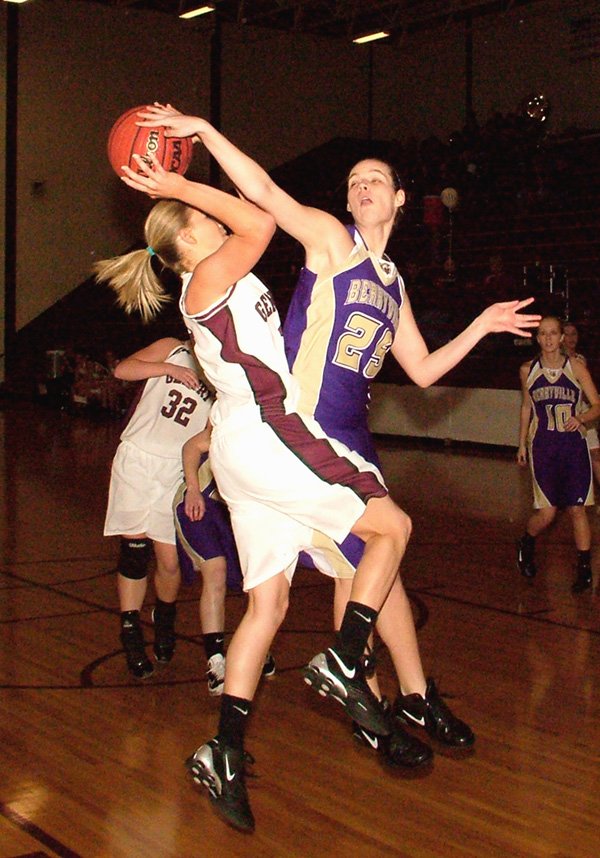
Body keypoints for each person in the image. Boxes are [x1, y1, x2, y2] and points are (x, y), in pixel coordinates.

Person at [135, 105, 540, 768]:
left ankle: (403, 700)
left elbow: (425, 370)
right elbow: (263, 196)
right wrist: (207, 133)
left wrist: (483, 325)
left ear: (402, 199)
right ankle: (377, 708)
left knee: (379, 575)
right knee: (365, 569)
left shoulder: (392, 280)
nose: (361, 187)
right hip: (306, 429)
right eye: (353, 179)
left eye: (374, 179)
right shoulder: (330, 239)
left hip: (352, 432)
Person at [98, 153, 422, 834]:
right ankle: (343, 660)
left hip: (240, 448)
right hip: (269, 433)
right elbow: (260, 218)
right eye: (201, 217)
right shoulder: (209, 275)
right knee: (391, 527)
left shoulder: (219, 277)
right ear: (188, 239)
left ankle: (224, 751)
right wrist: (179, 183)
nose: (216, 217)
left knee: (267, 605)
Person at [95, 335, 213, 678]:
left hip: (176, 466)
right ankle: (130, 630)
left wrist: (195, 484)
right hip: (137, 458)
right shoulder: (172, 347)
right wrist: (167, 369)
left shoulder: (223, 371)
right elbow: (122, 369)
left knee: (170, 559)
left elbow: (208, 435)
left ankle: (164, 616)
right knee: (134, 550)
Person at [173, 430, 276, 695]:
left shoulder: (285, 429)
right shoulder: (235, 417)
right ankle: (216, 661)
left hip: (240, 513)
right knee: (215, 571)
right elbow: (192, 446)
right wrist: (193, 489)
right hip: (204, 504)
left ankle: (255, 646)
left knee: (258, 579)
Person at [516, 316, 600, 593]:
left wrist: (583, 417)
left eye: (553, 333)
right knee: (548, 513)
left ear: (562, 337)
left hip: (574, 447)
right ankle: (527, 542)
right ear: (537, 338)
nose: (549, 338)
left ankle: (584, 569)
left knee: (577, 509)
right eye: (543, 334)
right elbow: (527, 407)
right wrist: (520, 445)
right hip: (544, 446)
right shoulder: (528, 370)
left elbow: (597, 405)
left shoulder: (576, 367)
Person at [562, 321, 600, 494]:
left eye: (574, 334)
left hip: (583, 413)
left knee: (595, 454)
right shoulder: (554, 362)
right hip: (564, 417)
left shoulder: (580, 360)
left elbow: (586, 390)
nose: (571, 338)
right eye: (567, 334)